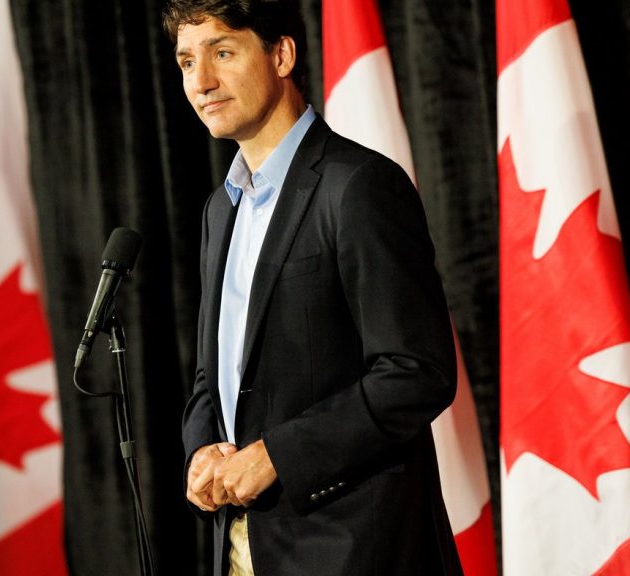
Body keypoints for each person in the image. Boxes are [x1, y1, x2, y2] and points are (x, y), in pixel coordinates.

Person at [164, 1, 462, 574]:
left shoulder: (358, 186)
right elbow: (216, 372)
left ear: (281, 54)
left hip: (353, 548)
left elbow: (415, 371)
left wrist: (278, 455)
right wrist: (202, 446)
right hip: (245, 548)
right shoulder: (218, 211)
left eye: (222, 53)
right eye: (185, 62)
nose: (201, 82)